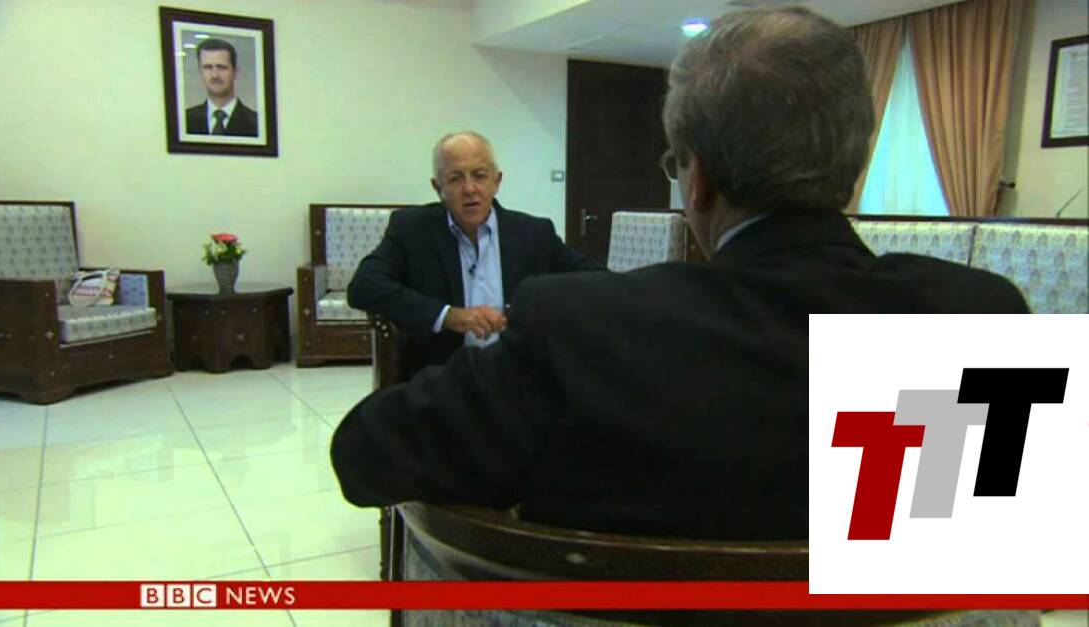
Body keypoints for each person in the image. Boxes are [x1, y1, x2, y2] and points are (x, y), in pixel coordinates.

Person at [330, 8, 1029, 540]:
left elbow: (364, 456)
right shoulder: (989, 319)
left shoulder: (581, 330)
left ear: (696, 180)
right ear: (855, 160)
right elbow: (1001, 551)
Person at [346, 131, 603, 372]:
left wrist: (538, 311)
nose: (469, 189)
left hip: (517, 372)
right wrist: (449, 316)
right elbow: (364, 286)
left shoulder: (534, 233)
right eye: (455, 179)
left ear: (496, 182)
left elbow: (593, 279)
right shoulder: (411, 229)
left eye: (479, 176)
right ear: (438, 188)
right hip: (442, 376)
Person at [184, 38, 258, 137]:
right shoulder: (185, 120)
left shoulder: (257, 123)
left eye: (221, 67)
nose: (215, 75)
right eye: (208, 67)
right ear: (200, 72)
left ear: (235, 72)